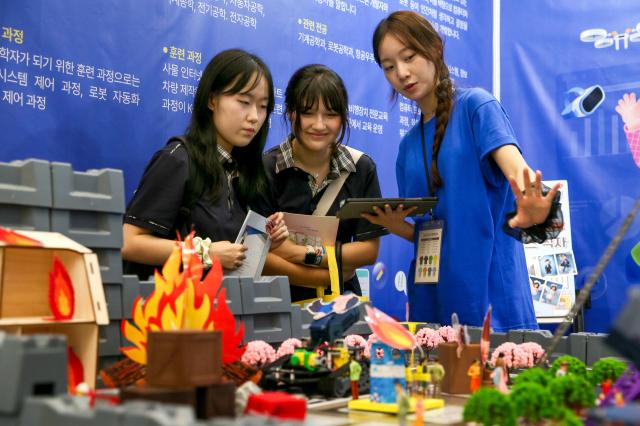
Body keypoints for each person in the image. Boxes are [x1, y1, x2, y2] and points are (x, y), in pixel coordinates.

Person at [365, 11, 563, 331]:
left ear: (434, 49)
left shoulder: (476, 108)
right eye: (389, 67)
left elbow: (525, 182)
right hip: (432, 302)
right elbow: (431, 233)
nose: (401, 73)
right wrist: (394, 224)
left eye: (409, 57)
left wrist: (534, 209)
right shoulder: (407, 147)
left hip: (490, 300)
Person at [122, 49, 288, 276]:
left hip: (223, 306)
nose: (254, 117)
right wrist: (204, 252)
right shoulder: (179, 158)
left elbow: (231, 253)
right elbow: (130, 243)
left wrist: (266, 238)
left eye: (262, 106)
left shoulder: (242, 172)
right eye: (244, 101)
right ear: (211, 99)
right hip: (175, 306)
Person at [252, 64, 387, 301]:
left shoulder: (361, 168)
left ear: (343, 117)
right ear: (291, 113)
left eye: (331, 114)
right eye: (308, 112)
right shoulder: (265, 168)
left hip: (341, 305)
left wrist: (296, 253)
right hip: (277, 305)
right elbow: (259, 256)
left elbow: (367, 250)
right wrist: (328, 275)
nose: (319, 125)